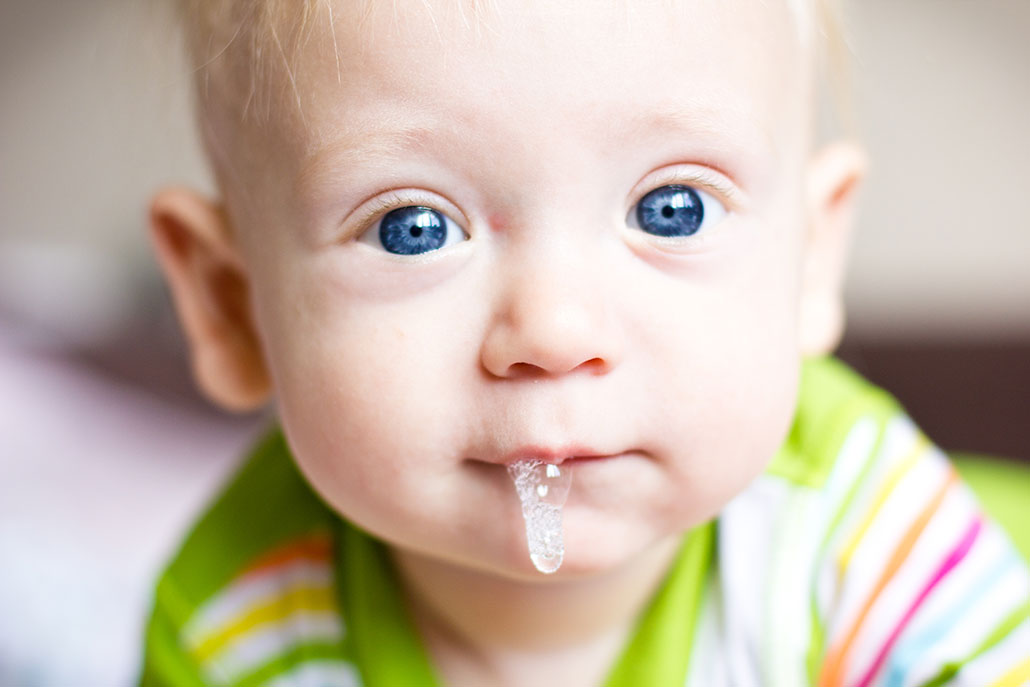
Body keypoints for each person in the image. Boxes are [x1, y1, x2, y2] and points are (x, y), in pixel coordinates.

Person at [141, 0, 1030, 684]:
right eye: (413, 227)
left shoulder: (875, 552)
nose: (555, 334)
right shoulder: (231, 625)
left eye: (670, 209)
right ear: (233, 304)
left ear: (809, 260)